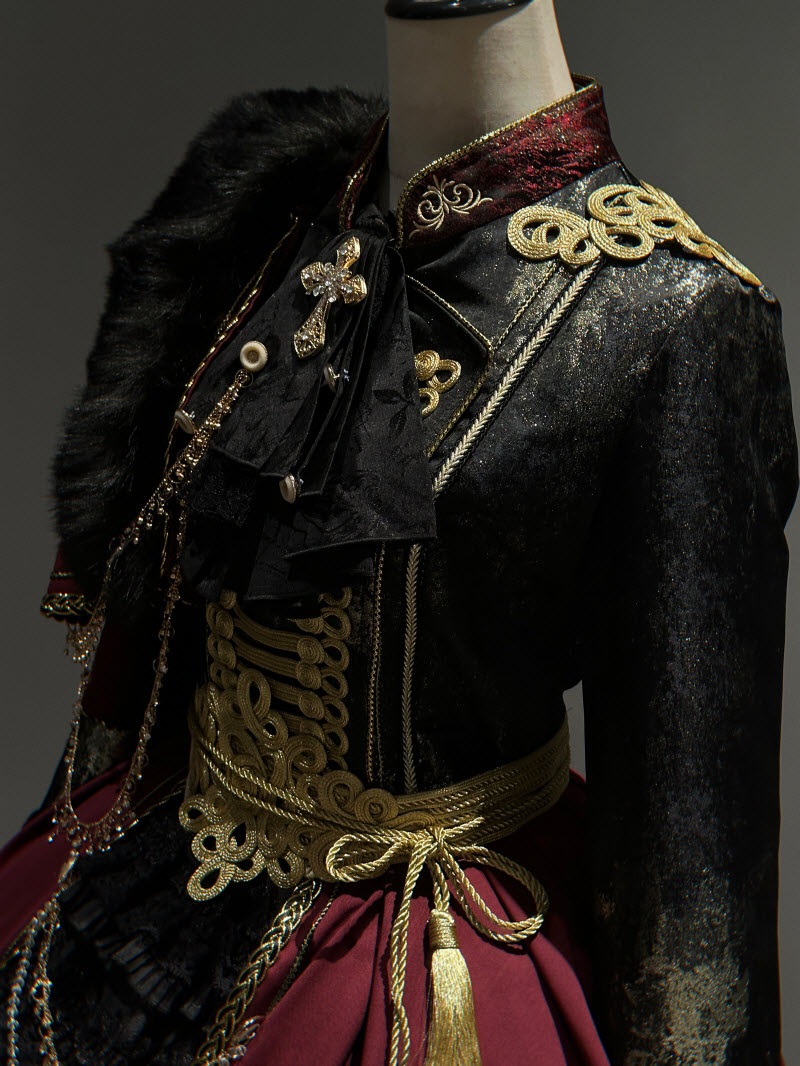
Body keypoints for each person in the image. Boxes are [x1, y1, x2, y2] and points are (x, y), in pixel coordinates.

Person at [1, 1, 797, 1063]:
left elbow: (694, 877)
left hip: (417, 969)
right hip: (165, 870)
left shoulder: (673, 317)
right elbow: (146, 648)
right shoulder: (260, 191)